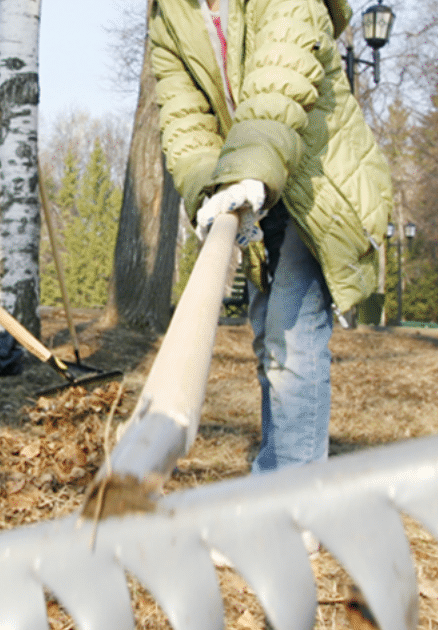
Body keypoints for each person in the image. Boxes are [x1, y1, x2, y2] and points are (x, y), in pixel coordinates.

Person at [149, 0, 393, 473]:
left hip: (316, 182)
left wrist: (248, 168)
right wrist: (210, 190)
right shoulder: (169, 18)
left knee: (293, 337)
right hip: (255, 184)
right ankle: (278, 474)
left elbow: (281, 69)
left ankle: (293, 500)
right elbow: (185, 121)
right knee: (269, 337)